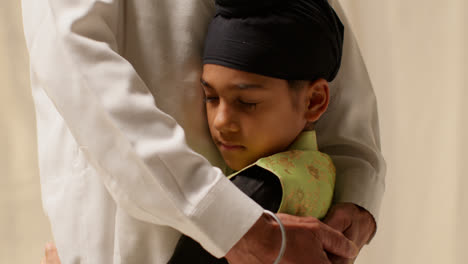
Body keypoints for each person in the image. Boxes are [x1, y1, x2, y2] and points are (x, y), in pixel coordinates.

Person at [23, 0, 385, 263]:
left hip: (279, 231)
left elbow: (315, 26)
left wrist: (356, 185)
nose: (221, 122)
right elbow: (75, 62)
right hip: (136, 240)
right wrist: (232, 224)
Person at [169, 1, 344, 262]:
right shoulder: (323, 171)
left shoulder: (263, 188)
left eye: (247, 102)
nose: (220, 121)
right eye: (210, 97)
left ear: (314, 101)